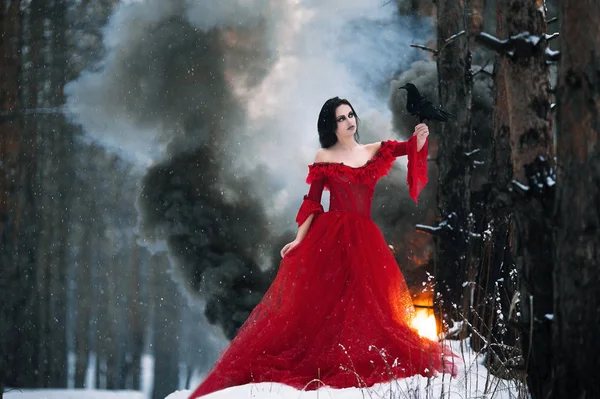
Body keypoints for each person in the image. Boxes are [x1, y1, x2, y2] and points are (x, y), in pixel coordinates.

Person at [188, 97, 457, 399]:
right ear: (331, 125)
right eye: (341, 118)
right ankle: (325, 355)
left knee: (367, 300)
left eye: (351, 115)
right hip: (330, 236)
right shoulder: (324, 156)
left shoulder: (373, 150)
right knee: (326, 301)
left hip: (365, 237)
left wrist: (420, 138)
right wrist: (299, 238)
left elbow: (410, 150)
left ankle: (354, 355)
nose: (349, 121)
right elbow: (314, 201)